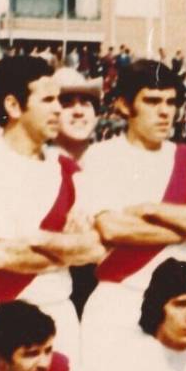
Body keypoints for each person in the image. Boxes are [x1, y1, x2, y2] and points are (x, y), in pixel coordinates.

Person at [0, 56, 105, 370]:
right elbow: (0, 255)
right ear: (13, 106)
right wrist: (68, 248)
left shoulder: (67, 167)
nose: (59, 109)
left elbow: (94, 250)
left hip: (58, 315)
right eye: (48, 100)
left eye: (59, 100)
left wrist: (35, 239)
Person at [75, 60, 186, 356]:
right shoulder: (102, 156)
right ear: (124, 105)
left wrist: (149, 210)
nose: (164, 111)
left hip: (175, 308)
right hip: (119, 298)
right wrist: (185, 225)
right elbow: (112, 228)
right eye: (152, 101)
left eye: (170, 102)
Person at [53, 66, 105, 323]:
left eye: (85, 102)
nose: (78, 111)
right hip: (52, 290)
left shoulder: (112, 163)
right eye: (67, 103)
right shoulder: (38, 165)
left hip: (105, 292)